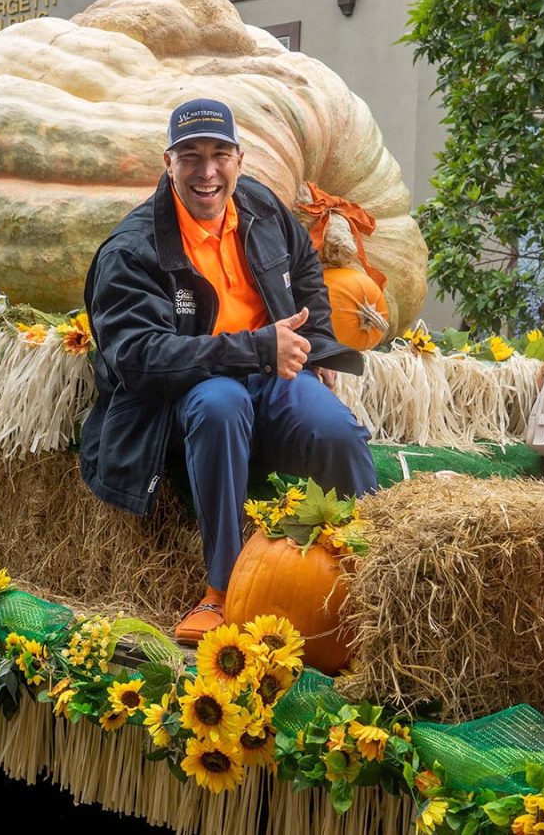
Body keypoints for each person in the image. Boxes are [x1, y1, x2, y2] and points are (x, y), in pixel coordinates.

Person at [81, 98, 376, 645]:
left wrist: (314, 345)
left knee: (335, 430)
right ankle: (224, 590)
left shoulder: (261, 206)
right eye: (190, 156)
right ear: (167, 164)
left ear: (239, 159)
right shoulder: (134, 248)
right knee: (221, 406)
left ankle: (373, 573)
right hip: (183, 391)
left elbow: (306, 265)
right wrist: (259, 348)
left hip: (267, 371)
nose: (207, 171)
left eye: (220, 154)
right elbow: (139, 358)